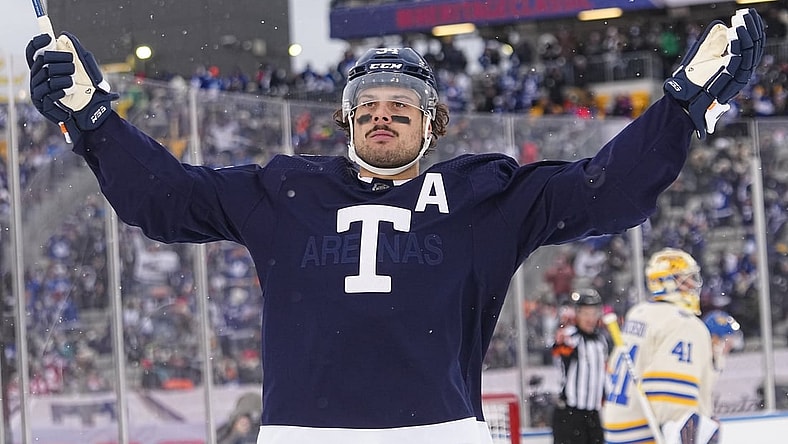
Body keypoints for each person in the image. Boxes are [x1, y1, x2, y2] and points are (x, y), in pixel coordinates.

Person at [25, 8, 764, 444]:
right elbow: (167, 199)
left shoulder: (485, 194)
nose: (383, 114)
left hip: (437, 436)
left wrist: (683, 105)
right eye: (368, 104)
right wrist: (93, 121)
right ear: (347, 118)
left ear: (433, 121)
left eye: (401, 105)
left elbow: (608, 191)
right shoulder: (286, 188)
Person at [602, 248, 721, 444]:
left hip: (617, 429)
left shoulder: (639, 312)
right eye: (686, 279)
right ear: (666, 282)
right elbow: (671, 400)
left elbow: (613, 369)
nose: (693, 285)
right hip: (647, 436)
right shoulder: (684, 324)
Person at [551, 289, 607, 444]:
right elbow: (558, 349)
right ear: (577, 314)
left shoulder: (601, 340)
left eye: (593, 313)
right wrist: (561, 338)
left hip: (593, 414)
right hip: (570, 414)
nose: (590, 318)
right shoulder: (571, 337)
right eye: (585, 313)